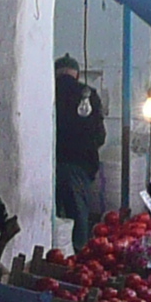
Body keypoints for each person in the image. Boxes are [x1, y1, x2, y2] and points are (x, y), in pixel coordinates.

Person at [54, 56, 107, 239]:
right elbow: (100, 137)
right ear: (76, 74)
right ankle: (77, 257)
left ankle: (48, 257)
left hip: (46, 165)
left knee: (49, 216)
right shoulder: (88, 94)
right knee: (77, 218)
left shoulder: (45, 91)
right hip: (78, 166)